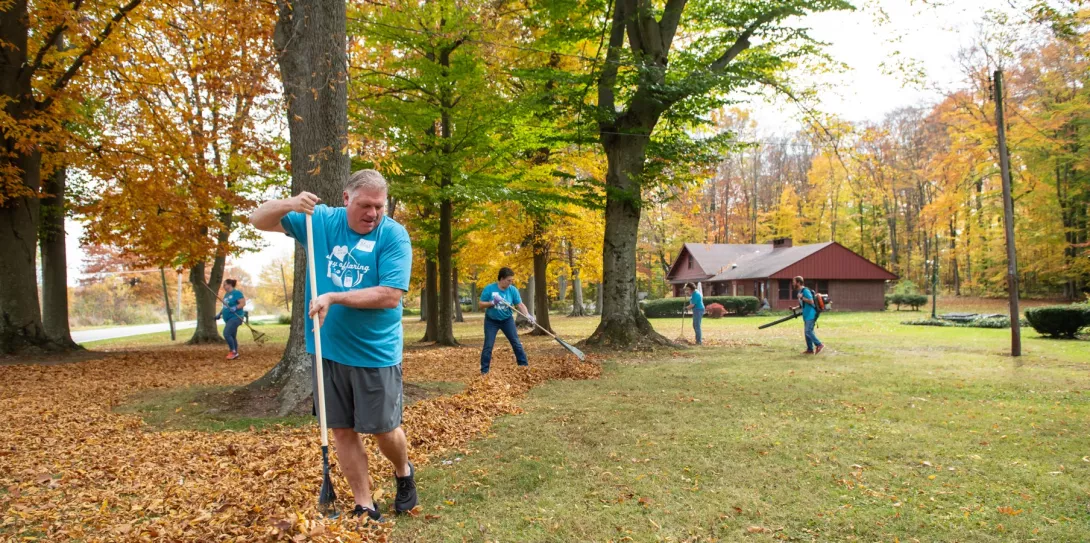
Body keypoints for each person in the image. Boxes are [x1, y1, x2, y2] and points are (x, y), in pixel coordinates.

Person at [249, 169, 416, 521]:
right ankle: (364, 503)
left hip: (375, 352)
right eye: (366, 205)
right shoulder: (319, 221)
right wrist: (290, 203)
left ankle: (403, 471)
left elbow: (390, 295)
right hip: (327, 348)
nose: (373, 213)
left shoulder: (394, 236)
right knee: (341, 428)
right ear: (346, 199)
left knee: (385, 429)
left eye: (379, 206)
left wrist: (333, 296)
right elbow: (257, 219)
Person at [478, 267, 533, 374]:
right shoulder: (489, 288)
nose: (510, 282)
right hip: (491, 321)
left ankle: (523, 367)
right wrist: (492, 303)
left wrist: (527, 315)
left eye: (512, 280)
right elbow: (481, 304)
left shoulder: (512, 290)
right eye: (509, 280)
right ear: (502, 279)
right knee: (488, 345)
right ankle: (484, 371)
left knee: (516, 343)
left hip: (507, 320)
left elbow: (520, 304)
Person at [793, 275, 824, 354]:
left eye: (794, 282)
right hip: (806, 315)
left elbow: (811, 301)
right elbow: (802, 304)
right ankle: (810, 350)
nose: (793, 284)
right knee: (807, 332)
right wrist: (795, 308)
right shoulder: (800, 292)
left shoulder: (805, 291)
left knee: (808, 331)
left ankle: (819, 344)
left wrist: (802, 297)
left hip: (811, 314)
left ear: (799, 282)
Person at [219, 279, 246, 360]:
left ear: (230, 284)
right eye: (223, 285)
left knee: (226, 333)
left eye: (225, 285)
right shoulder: (226, 295)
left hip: (236, 317)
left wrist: (235, 307)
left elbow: (243, 303)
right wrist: (219, 314)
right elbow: (225, 306)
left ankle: (233, 351)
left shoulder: (236, 293)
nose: (223, 286)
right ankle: (235, 353)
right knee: (232, 336)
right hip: (228, 318)